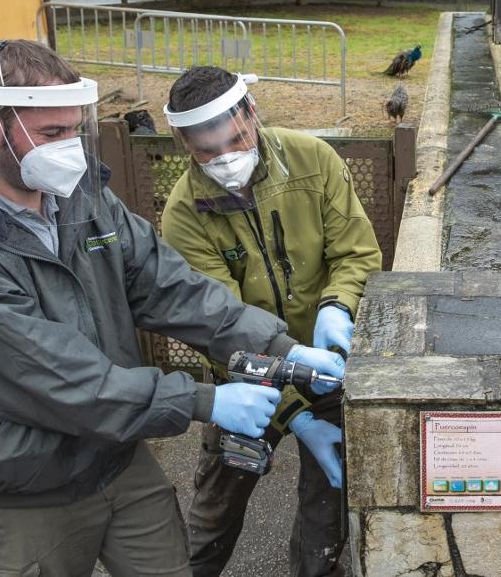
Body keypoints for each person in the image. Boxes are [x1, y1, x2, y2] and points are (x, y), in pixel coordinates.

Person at [0, 40, 345, 577]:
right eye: (52, 134)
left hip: (116, 456)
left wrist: (284, 351)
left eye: (76, 130)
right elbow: (52, 376)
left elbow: (173, 288)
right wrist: (202, 400)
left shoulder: (82, 200)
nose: (71, 149)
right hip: (24, 483)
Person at [159, 66, 382, 577]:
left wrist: (338, 305)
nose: (226, 159)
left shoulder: (313, 161)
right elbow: (218, 324)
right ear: (183, 144)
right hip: (244, 385)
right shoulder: (185, 214)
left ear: (252, 114)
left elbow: (356, 252)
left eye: (236, 140)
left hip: (327, 370)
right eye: (206, 151)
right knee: (213, 516)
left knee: (326, 516)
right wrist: (292, 413)